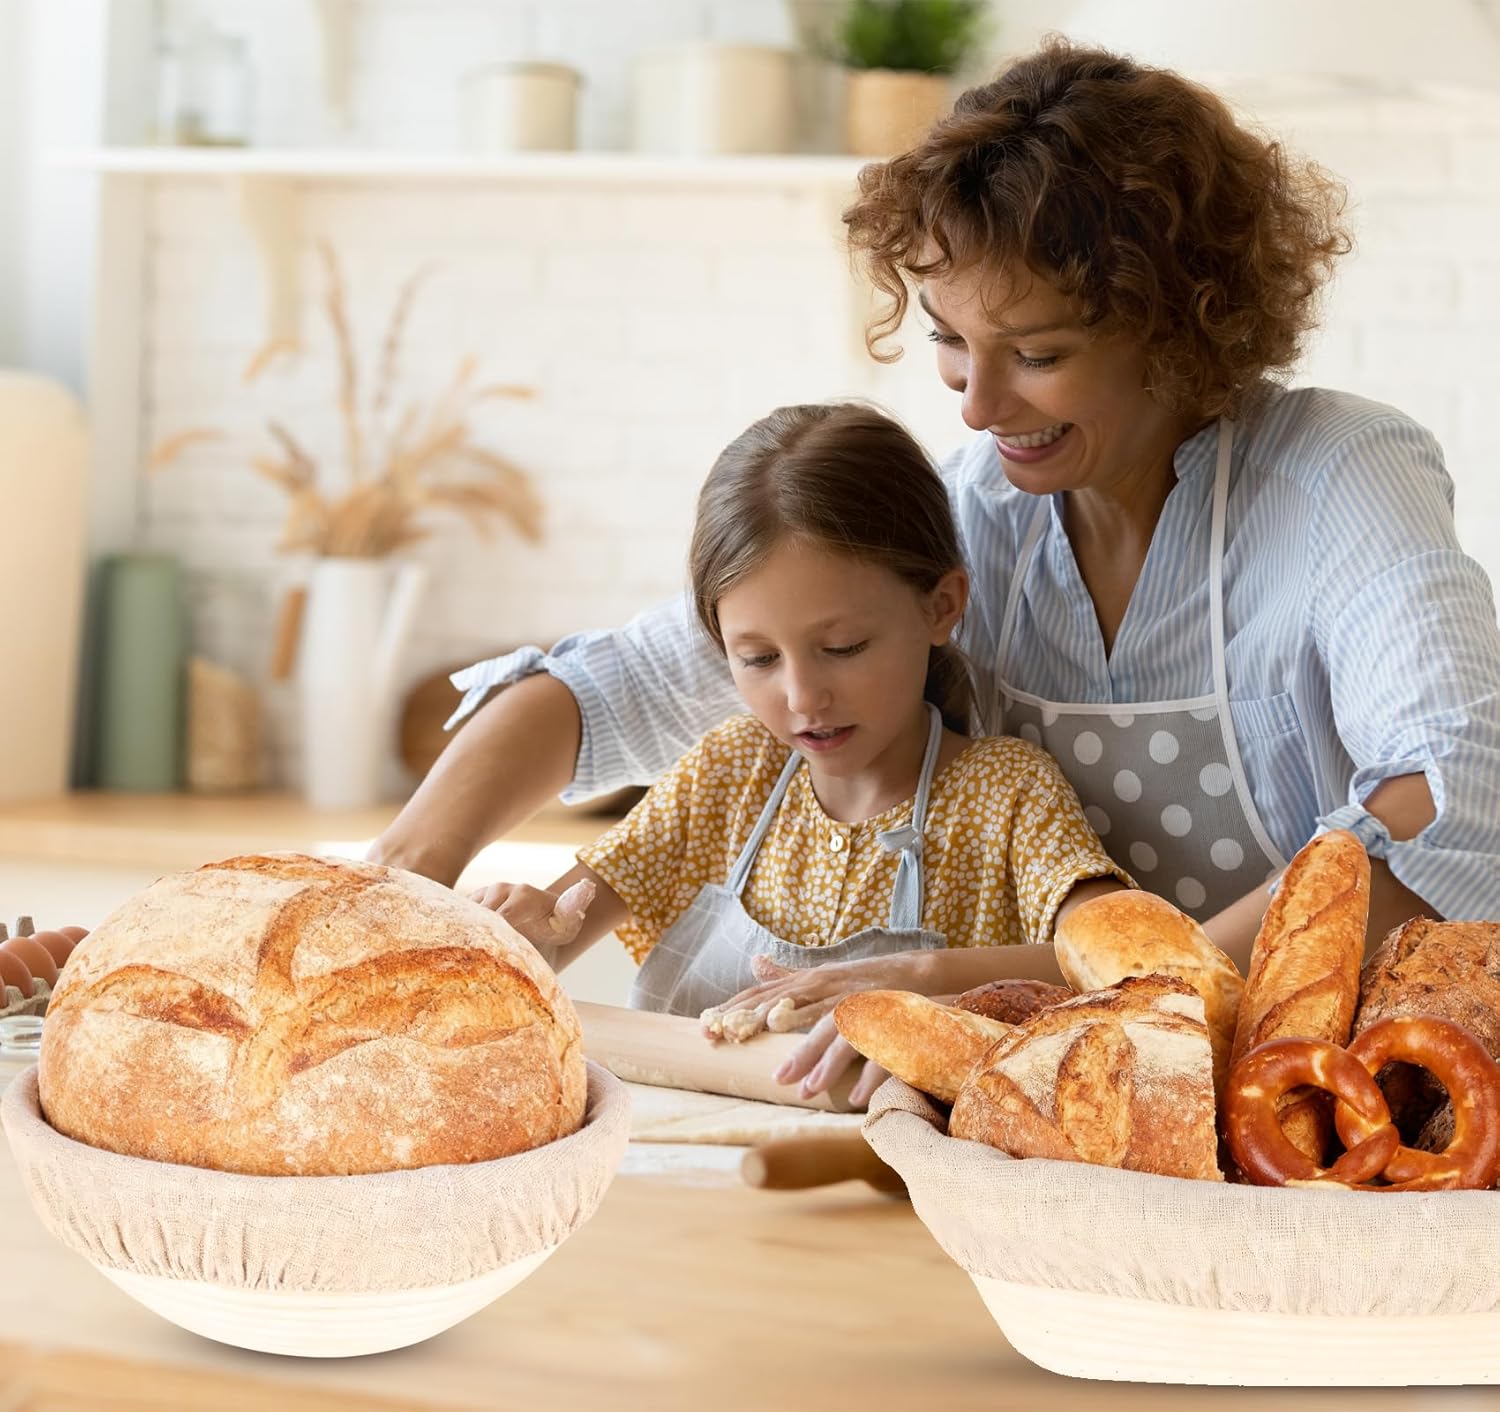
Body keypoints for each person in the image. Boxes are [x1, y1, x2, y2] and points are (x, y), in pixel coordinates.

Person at [371, 39, 1500, 1098]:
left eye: (1039, 354)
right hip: (1062, 1082)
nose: (976, 401)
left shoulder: (1336, 475)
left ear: (1176, 325)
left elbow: (1451, 787)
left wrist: (1130, 994)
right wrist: (401, 877)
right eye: (951, 342)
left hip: (1323, 1081)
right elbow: (632, 679)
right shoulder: (971, 515)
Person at [467, 402, 1130, 1105]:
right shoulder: (729, 774)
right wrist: (524, 933)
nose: (803, 697)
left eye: (843, 649)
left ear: (940, 605)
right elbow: (560, 930)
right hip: (682, 1172)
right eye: (756, 658)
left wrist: (923, 978)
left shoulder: (1005, 794)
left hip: (890, 1182)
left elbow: (1122, 960)